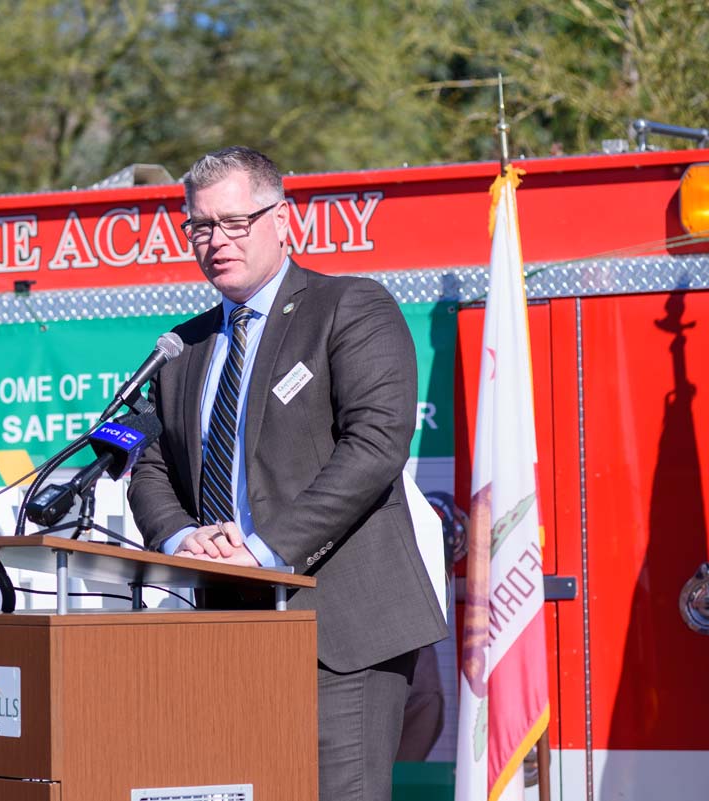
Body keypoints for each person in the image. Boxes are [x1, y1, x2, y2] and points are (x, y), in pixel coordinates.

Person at [127, 146, 448, 801]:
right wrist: (181, 538)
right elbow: (149, 467)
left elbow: (375, 446)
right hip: (226, 635)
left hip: (342, 633)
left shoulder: (349, 308)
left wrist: (263, 551)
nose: (216, 241)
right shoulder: (180, 349)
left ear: (283, 220)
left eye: (235, 222)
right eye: (200, 226)